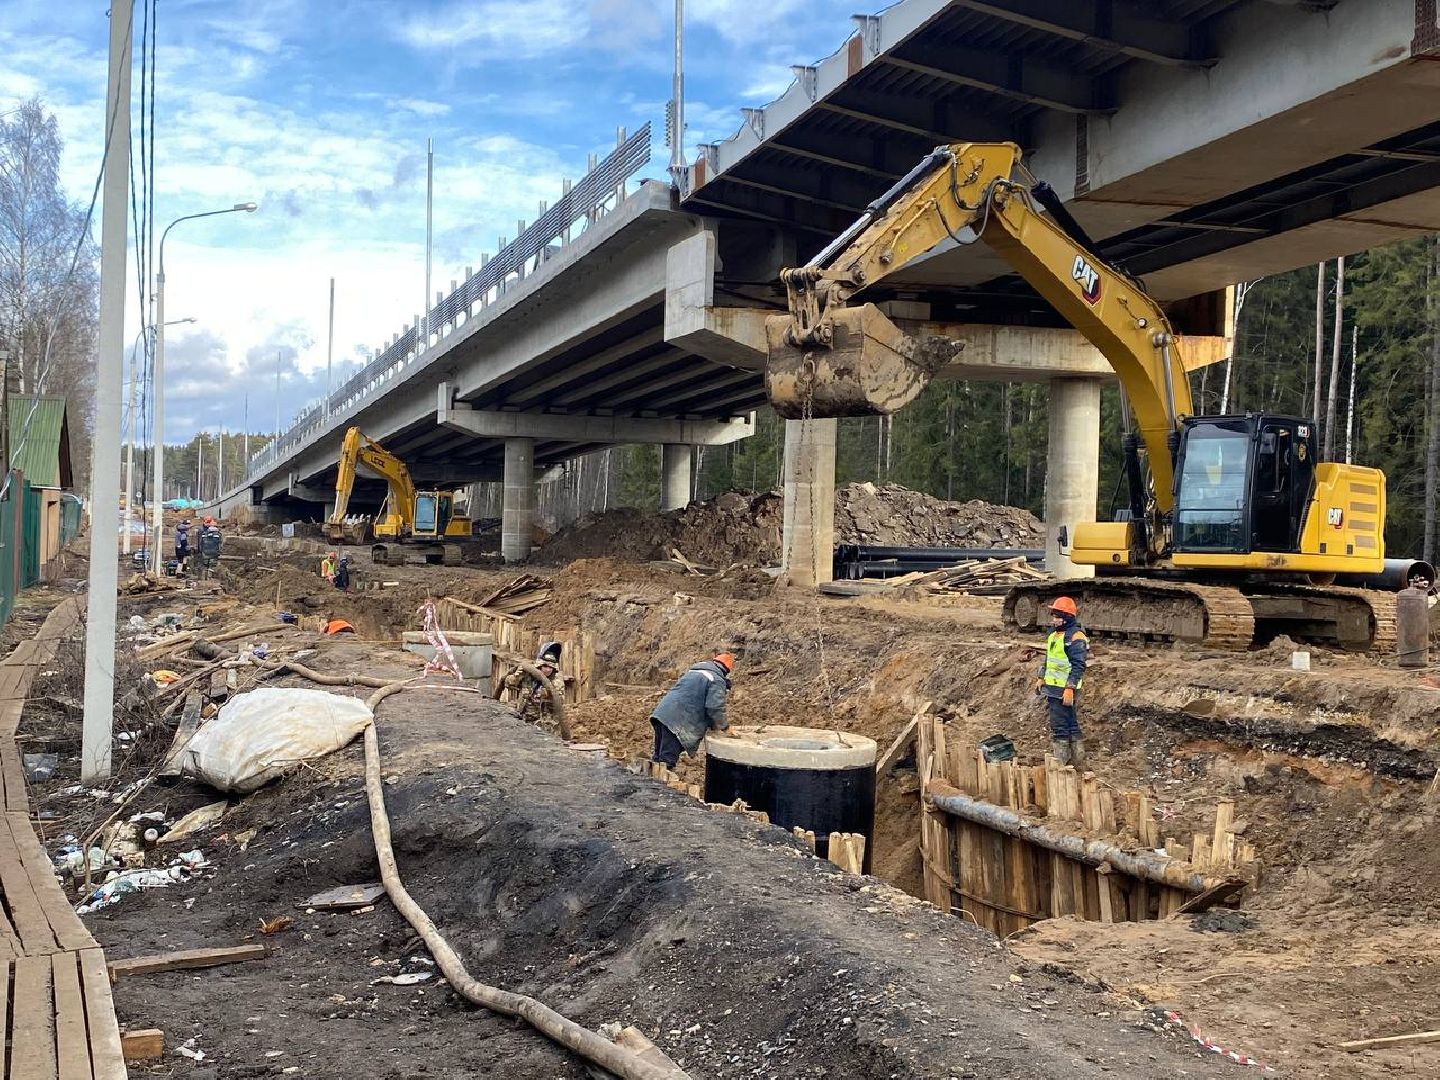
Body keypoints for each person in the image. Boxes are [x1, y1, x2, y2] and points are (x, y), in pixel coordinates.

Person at [649, 650, 734, 769]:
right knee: (666, 762)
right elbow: (715, 707)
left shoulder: (694, 672)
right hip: (677, 721)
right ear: (726, 670)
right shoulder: (716, 679)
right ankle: (661, 785)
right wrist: (725, 727)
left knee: (658, 759)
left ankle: (651, 782)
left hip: (662, 714)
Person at [1032, 596, 1088, 766]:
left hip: (1064, 689)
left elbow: (1078, 665)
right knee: (1070, 722)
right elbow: (1049, 659)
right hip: (1053, 687)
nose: (1054, 620)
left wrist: (1069, 688)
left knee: (1060, 726)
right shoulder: (1054, 635)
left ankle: (1061, 763)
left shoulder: (1075, 637)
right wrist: (1041, 677)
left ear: (1067, 617)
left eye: (1057, 616)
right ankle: (1077, 761)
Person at [499, 644, 561, 731]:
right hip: (522, 719)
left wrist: (546, 692)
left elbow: (559, 701)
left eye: (551, 667)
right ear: (539, 665)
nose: (548, 670)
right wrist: (516, 677)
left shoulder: (556, 681)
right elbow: (507, 684)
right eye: (545, 666)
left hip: (544, 725)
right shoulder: (528, 674)